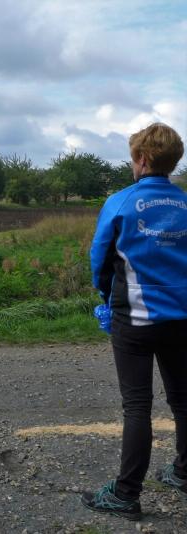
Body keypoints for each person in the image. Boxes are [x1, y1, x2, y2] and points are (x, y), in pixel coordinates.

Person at [82, 122, 187, 520]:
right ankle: (184, 472)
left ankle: (126, 495)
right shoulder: (185, 203)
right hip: (183, 317)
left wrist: (106, 299)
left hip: (135, 319)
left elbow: (100, 260)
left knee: (138, 405)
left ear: (142, 159)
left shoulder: (121, 202)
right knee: (183, 399)